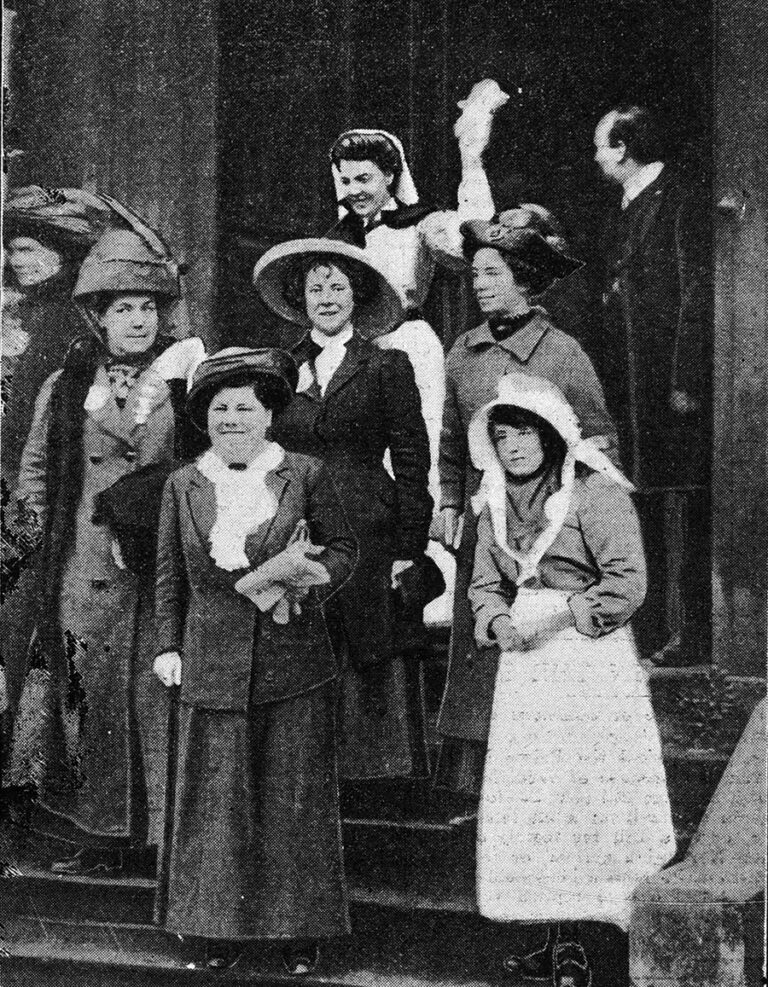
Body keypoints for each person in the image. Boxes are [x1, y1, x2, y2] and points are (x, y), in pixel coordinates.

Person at [4, 228, 205, 871]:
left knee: (157, 690)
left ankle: (164, 839)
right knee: (87, 692)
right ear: (98, 315)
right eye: (123, 308)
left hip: (161, 559)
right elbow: (35, 476)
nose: (139, 320)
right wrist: (25, 552)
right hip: (85, 561)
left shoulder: (186, 378)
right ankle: (99, 833)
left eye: (149, 307)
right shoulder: (65, 385)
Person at [153, 348, 356, 974]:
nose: (232, 419)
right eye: (219, 408)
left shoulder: (306, 474)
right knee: (214, 801)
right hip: (210, 657)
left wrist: (304, 581)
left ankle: (296, 934)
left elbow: (345, 549)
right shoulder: (184, 483)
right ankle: (212, 932)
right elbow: (169, 575)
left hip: (291, 657)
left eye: (245, 407)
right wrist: (167, 644)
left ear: (269, 415)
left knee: (292, 800)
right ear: (204, 417)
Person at [467, 373, 674, 986]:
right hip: (525, 663)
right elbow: (484, 584)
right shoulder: (495, 504)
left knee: (585, 788)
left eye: (526, 433)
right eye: (503, 436)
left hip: (587, 658)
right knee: (533, 791)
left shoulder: (596, 495)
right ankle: (550, 935)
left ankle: (588, 940)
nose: (515, 447)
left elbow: (627, 582)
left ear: (553, 436)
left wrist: (560, 616)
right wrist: (498, 617)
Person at [434, 209, 619, 795]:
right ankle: (475, 787)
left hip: (549, 534)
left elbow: (599, 441)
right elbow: (450, 440)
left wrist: (566, 512)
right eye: (476, 273)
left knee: (536, 648)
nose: (479, 283)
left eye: (491, 272)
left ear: (524, 278)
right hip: (485, 524)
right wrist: (448, 502)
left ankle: (543, 785)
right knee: (481, 644)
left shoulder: (564, 355)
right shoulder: (463, 352)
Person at [253, 237, 433, 781]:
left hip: (366, 521)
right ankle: (300, 769)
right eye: (315, 288)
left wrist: (409, 545)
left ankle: (370, 775)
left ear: (357, 297)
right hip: (297, 520)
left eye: (338, 286)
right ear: (301, 299)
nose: (326, 298)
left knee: (365, 637)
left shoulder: (386, 365)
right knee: (302, 632)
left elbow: (411, 458)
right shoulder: (280, 368)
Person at [328, 81, 507, 621]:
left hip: (407, 350)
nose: (355, 189)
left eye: (366, 178)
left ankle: (433, 592)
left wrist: (470, 155)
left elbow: (475, 236)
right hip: (350, 353)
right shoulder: (333, 238)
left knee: (416, 462)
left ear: (389, 177)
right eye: (346, 179)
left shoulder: (420, 226)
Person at [593, 104, 710, 666]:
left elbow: (695, 293)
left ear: (623, 148)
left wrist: (686, 379)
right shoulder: (630, 204)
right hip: (633, 385)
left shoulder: (679, 201)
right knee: (644, 496)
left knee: (680, 499)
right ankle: (650, 627)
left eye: (601, 145)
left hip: (668, 390)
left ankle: (688, 634)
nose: (596, 156)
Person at [1, 186, 110, 491]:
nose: (15, 261)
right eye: (11, 251)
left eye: (26, 249)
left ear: (60, 251)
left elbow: (24, 418)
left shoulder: (63, 315)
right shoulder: (27, 308)